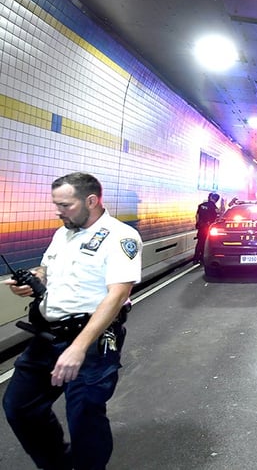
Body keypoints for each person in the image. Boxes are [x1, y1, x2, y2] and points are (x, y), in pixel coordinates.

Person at [2, 172, 142, 470]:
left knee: (85, 415)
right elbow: (46, 269)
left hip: (91, 342)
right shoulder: (63, 232)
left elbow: (116, 296)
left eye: (65, 205)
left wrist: (78, 348)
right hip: (47, 337)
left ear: (91, 201)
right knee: (19, 407)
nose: (58, 211)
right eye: (57, 205)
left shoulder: (120, 237)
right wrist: (32, 281)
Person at [193, 192, 220, 263]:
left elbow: (197, 216)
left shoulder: (201, 205)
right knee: (206, 243)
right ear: (216, 200)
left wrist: (198, 223)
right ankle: (202, 258)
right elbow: (217, 219)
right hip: (209, 228)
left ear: (210, 197)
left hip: (201, 226)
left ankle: (195, 259)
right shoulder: (215, 208)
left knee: (199, 242)